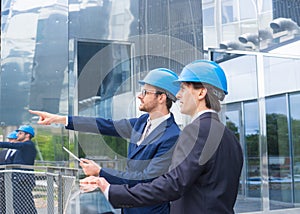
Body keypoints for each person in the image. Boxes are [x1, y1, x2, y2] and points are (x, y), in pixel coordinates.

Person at [80, 60, 244, 214]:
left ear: (201, 92)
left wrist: (110, 189)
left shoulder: (196, 131)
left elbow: (172, 184)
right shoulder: (231, 138)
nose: (178, 95)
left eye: (183, 89)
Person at [30, 68, 181, 214]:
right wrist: (61, 119)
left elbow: (146, 179)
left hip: (150, 210)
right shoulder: (141, 122)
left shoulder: (172, 136)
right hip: (128, 206)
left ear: (161, 98)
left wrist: (101, 172)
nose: (139, 96)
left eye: (145, 92)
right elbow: (105, 125)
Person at [0, 125, 37, 214]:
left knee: (21, 206)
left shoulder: (28, 145)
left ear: (27, 135)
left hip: (23, 179)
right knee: (26, 205)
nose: (17, 135)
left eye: (20, 133)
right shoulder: (23, 148)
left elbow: (11, 145)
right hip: (19, 179)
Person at [0, 131, 18, 214]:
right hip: (2, 181)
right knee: (2, 201)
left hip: (14, 182)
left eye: (13, 139)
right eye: (10, 139)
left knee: (17, 202)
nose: (11, 141)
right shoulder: (3, 153)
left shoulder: (20, 152)